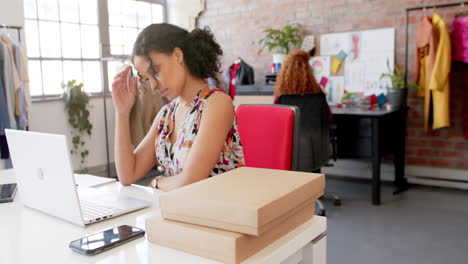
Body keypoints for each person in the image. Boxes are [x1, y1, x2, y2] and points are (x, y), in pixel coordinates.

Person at [111, 23, 244, 191]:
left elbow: (190, 182)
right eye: (146, 78)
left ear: (177, 55)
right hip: (179, 210)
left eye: (155, 71)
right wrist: (122, 112)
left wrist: (156, 182)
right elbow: (127, 175)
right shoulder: (167, 114)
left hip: (219, 212)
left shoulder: (216, 103)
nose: (153, 85)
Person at [273, 50, 332, 121]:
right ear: (308, 70)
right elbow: (328, 118)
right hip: (315, 132)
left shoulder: (281, 95)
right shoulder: (317, 93)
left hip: (289, 132)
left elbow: (277, 120)